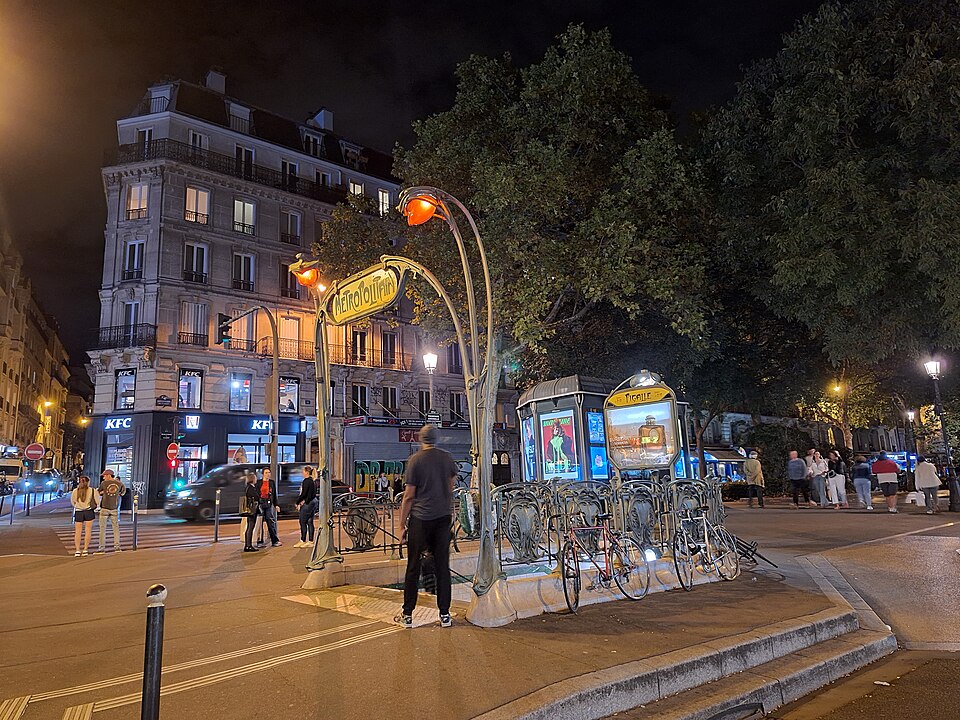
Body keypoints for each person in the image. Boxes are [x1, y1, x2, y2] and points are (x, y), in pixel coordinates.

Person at [395, 424, 458, 629]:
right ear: (437, 438)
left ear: (421, 439)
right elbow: (451, 487)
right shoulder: (447, 458)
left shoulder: (415, 460)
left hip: (420, 520)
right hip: (442, 519)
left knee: (413, 566)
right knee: (442, 567)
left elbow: (409, 495)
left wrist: (402, 524)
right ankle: (445, 614)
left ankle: (408, 615)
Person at [95, 469, 126, 553]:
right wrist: (117, 494)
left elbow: (98, 492)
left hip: (105, 507)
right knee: (115, 528)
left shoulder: (104, 483)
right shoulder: (119, 483)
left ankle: (101, 548)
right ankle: (117, 547)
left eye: (104, 476)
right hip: (114, 508)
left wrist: (103, 492)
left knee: (102, 529)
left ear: (109, 475)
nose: (104, 478)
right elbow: (123, 492)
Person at [70, 476, 100, 557]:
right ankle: (85, 549)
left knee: (78, 531)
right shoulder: (93, 490)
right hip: (89, 511)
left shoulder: (75, 491)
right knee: (88, 531)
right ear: (88, 482)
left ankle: (77, 550)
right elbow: (97, 501)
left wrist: (78, 505)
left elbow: (73, 502)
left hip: (79, 512)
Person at [257, 468, 282, 547]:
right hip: (260, 503)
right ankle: (259, 541)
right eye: (266, 472)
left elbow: (274, 494)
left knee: (270, 521)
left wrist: (276, 504)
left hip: (268, 503)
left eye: (269, 472)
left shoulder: (271, 482)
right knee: (259, 523)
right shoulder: (258, 482)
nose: (268, 474)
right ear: (263, 474)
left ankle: (275, 540)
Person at [295, 466, 318, 548]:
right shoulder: (313, 481)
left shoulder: (306, 481)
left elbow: (304, 494)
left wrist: (297, 502)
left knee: (302, 521)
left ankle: (303, 540)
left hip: (308, 503)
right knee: (310, 521)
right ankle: (311, 541)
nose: (302, 473)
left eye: (303, 471)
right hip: (313, 502)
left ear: (307, 472)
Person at [242, 472, 261, 552]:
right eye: (255, 478)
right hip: (252, 510)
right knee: (250, 527)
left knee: (250, 527)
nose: (256, 479)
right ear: (252, 479)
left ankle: (248, 545)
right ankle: (248, 545)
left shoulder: (249, 487)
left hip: (251, 510)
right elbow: (256, 497)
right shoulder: (251, 488)